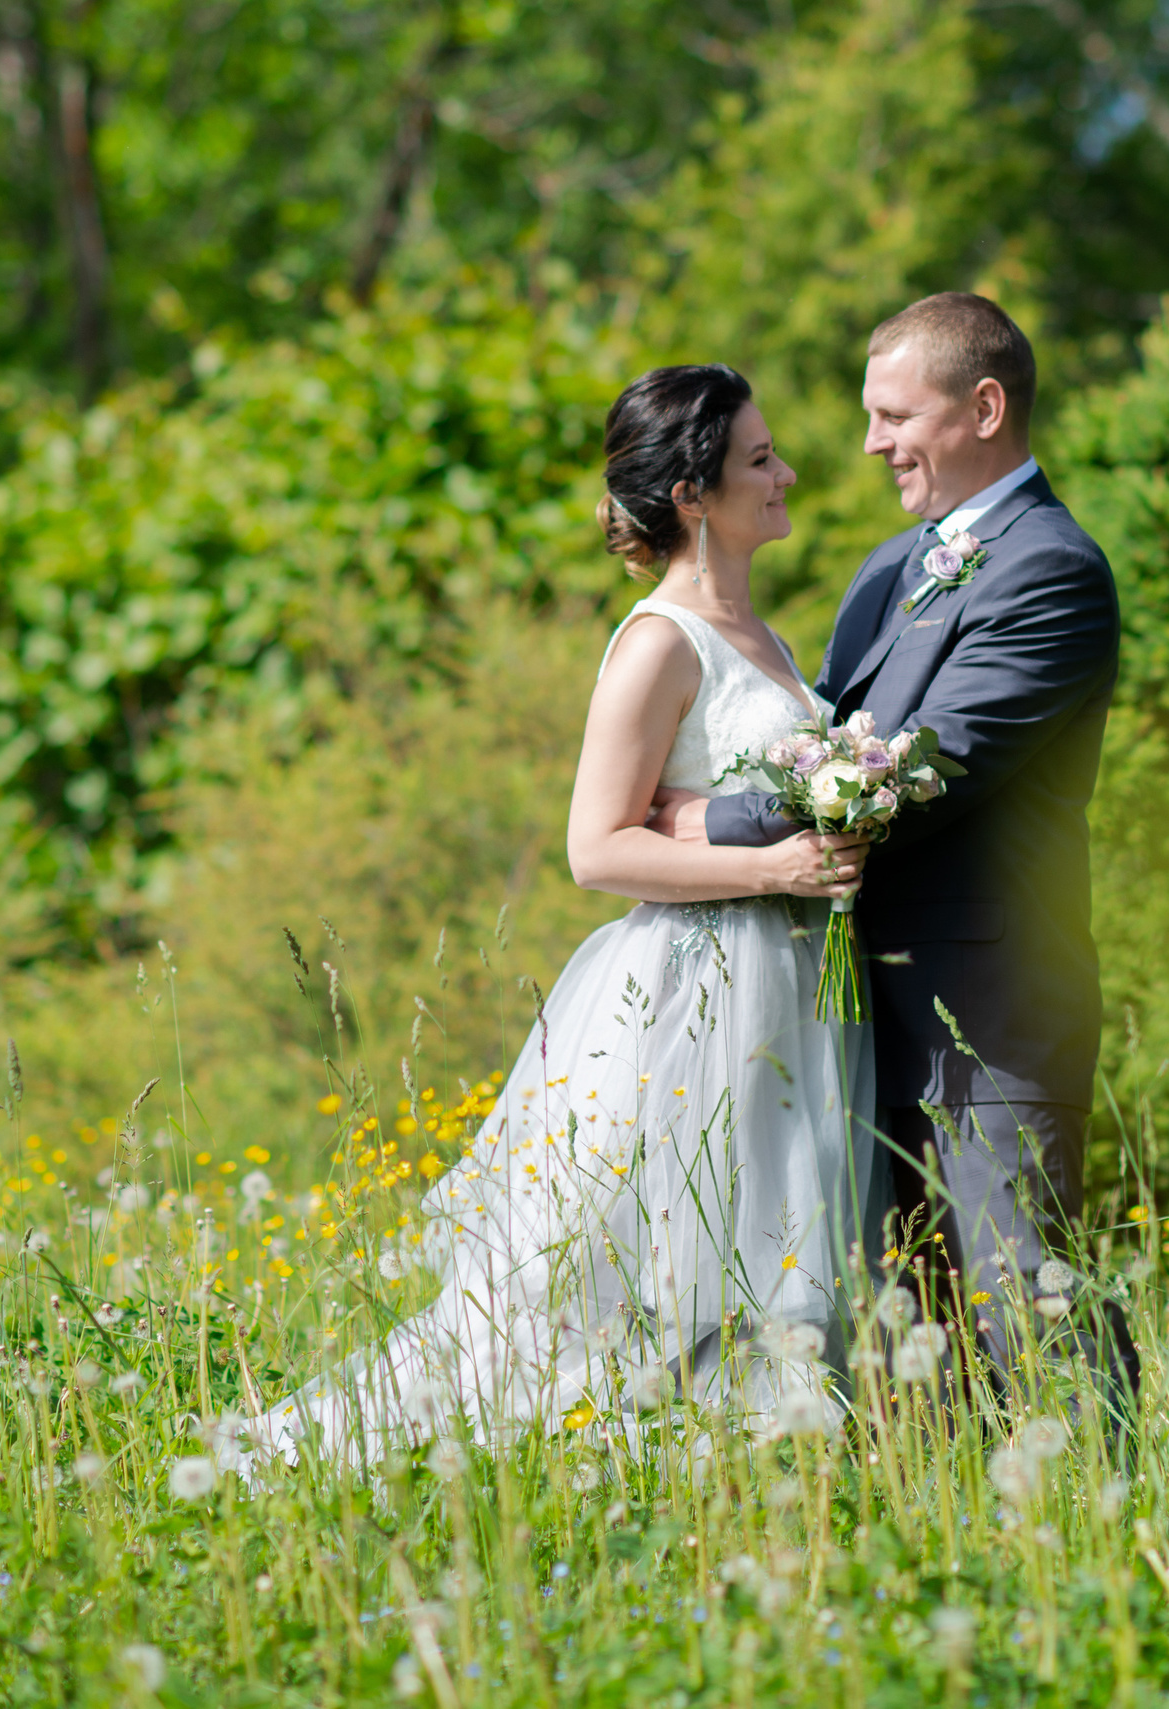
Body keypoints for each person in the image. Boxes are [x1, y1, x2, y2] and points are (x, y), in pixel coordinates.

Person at [243, 364, 881, 1468]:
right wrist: (776, 867)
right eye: (760, 459)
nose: (786, 474)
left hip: (793, 988)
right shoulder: (657, 642)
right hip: (698, 991)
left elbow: (706, 804)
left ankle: (747, 1467)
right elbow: (597, 846)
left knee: (765, 1254)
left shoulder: (765, 635)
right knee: (634, 1274)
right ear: (692, 493)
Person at [651, 293, 1132, 1405]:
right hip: (853, 1015)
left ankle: (1116, 1526)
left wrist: (687, 818)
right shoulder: (886, 569)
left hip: (988, 1013)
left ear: (985, 406)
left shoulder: (1050, 570)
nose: (869, 443)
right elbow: (827, 742)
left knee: (1025, 1295)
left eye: (892, 415)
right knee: (903, 1336)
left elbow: (910, 774)